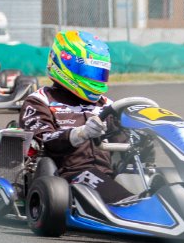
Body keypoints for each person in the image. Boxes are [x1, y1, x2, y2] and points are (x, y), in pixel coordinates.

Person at [20, 30, 143, 204]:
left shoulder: (107, 105)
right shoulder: (40, 101)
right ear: (64, 65)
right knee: (119, 196)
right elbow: (43, 140)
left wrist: (143, 138)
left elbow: (123, 142)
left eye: (99, 74)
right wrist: (80, 133)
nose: (95, 79)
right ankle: (132, 208)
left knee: (154, 183)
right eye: (89, 72)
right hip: (66, 176)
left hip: (106, 174)